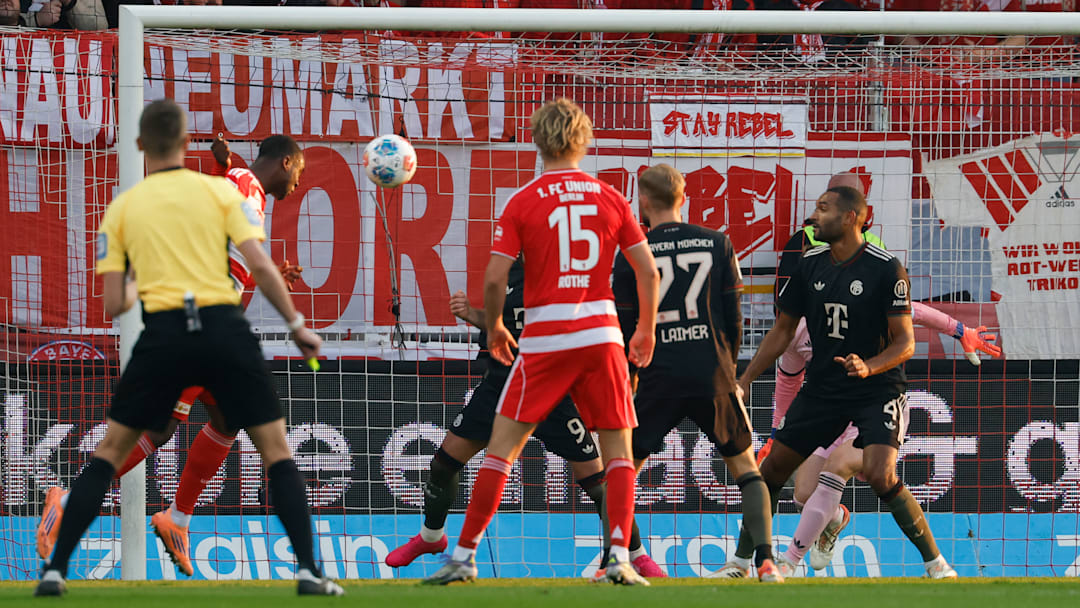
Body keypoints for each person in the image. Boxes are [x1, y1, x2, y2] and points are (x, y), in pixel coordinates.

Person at [33, 99, 342, 597]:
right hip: (214, 322)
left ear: (140, 145)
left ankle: (153, 525)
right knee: (234, 440)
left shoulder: (125, 207)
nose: (299, 185)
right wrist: (294, 320)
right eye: (299, 172)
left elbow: (120, 297)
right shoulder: (238, 187)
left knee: (220, 421)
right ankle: (306, 571)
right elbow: (243, 247)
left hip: (168, 325)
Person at [421, 98, 660, 586]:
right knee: (617, 452)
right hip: (601, 335)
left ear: (536, 140)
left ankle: (464, 557)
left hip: (547, 337)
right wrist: (645, 329)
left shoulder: (524, 200)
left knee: (501, 451)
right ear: (585, 140)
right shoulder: (610, 196)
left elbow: (493, 279)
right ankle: (620, 558)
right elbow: (648, 271)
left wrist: (495, 328)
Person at [715, 185, 957, 581]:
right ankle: (741, 564)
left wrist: (869, 366)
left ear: (851, 217)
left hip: (878, 388)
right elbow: (782, 330)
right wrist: (744, 379)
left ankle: (937, 564)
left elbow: (906, 342)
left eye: (823, 209)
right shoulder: (809, 265)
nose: (814, 216)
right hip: (825, 389)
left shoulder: (885, 268)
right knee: (771, 471)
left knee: (881, 476)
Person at [385, 260, 661, 578]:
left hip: (554, 390)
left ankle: (635, 554)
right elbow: (498, 326)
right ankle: (432, 537)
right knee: (442, 465)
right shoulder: (508, 272)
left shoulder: (568, 275)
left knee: (599, 483)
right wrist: (471, 315)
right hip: (501, 385)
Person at [610, 164, 781, 582]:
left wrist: (633, 375)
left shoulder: (632, 251)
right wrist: (728, 368)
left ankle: (621, 558)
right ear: (683, 198)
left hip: (656, 376)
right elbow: (735, 317)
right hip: (712, 374)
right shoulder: (718, 243)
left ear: (643, 202)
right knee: (747, 470)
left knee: (621, 469)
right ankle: (768, 563)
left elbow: (626, 325)